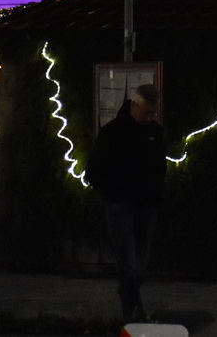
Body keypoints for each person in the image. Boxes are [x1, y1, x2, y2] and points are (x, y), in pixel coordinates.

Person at [86, 84, 167, 324]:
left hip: (146, 205)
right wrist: (113, 194)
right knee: (128, 262)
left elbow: (160, 167)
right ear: (134, 106)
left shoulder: (155, 132)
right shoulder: (113, 133)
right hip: (121, 205)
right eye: (146, 112)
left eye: (153, 113)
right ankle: (131, 311)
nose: (150, 117)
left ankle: (129, 306)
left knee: (139, 265)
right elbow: (94, 170)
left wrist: (156, 196)